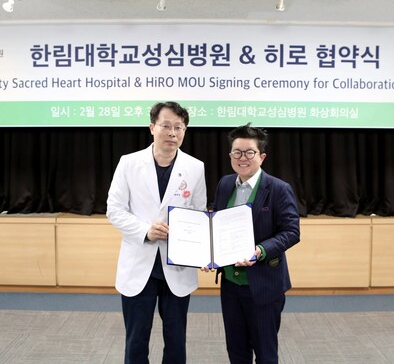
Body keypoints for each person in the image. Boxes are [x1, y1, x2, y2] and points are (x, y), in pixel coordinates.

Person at [106, 101, 207, 364]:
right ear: (152, 128)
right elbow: (114, 209)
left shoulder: (195, 167)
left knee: (176, 338)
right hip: (140, 263)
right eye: (166, 126)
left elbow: (198, 213)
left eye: (179, 127)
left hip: (178, 264)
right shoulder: (129, 163)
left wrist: (198, 247)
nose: (172, 133)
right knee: (136, 338)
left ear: (185, 131)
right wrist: (145, 230)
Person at [213, 123, 300, 364]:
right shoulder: (225, 184)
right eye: (237, 152)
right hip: (231, 285)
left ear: (262, 156)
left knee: (265, 353)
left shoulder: (279, 189)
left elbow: (291, 232)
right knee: (236, 351)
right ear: (230, 155)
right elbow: (217, 224)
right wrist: (209, 254)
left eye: (249, 152)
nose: (242, 158)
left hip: (264, 285)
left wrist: (260, 251)